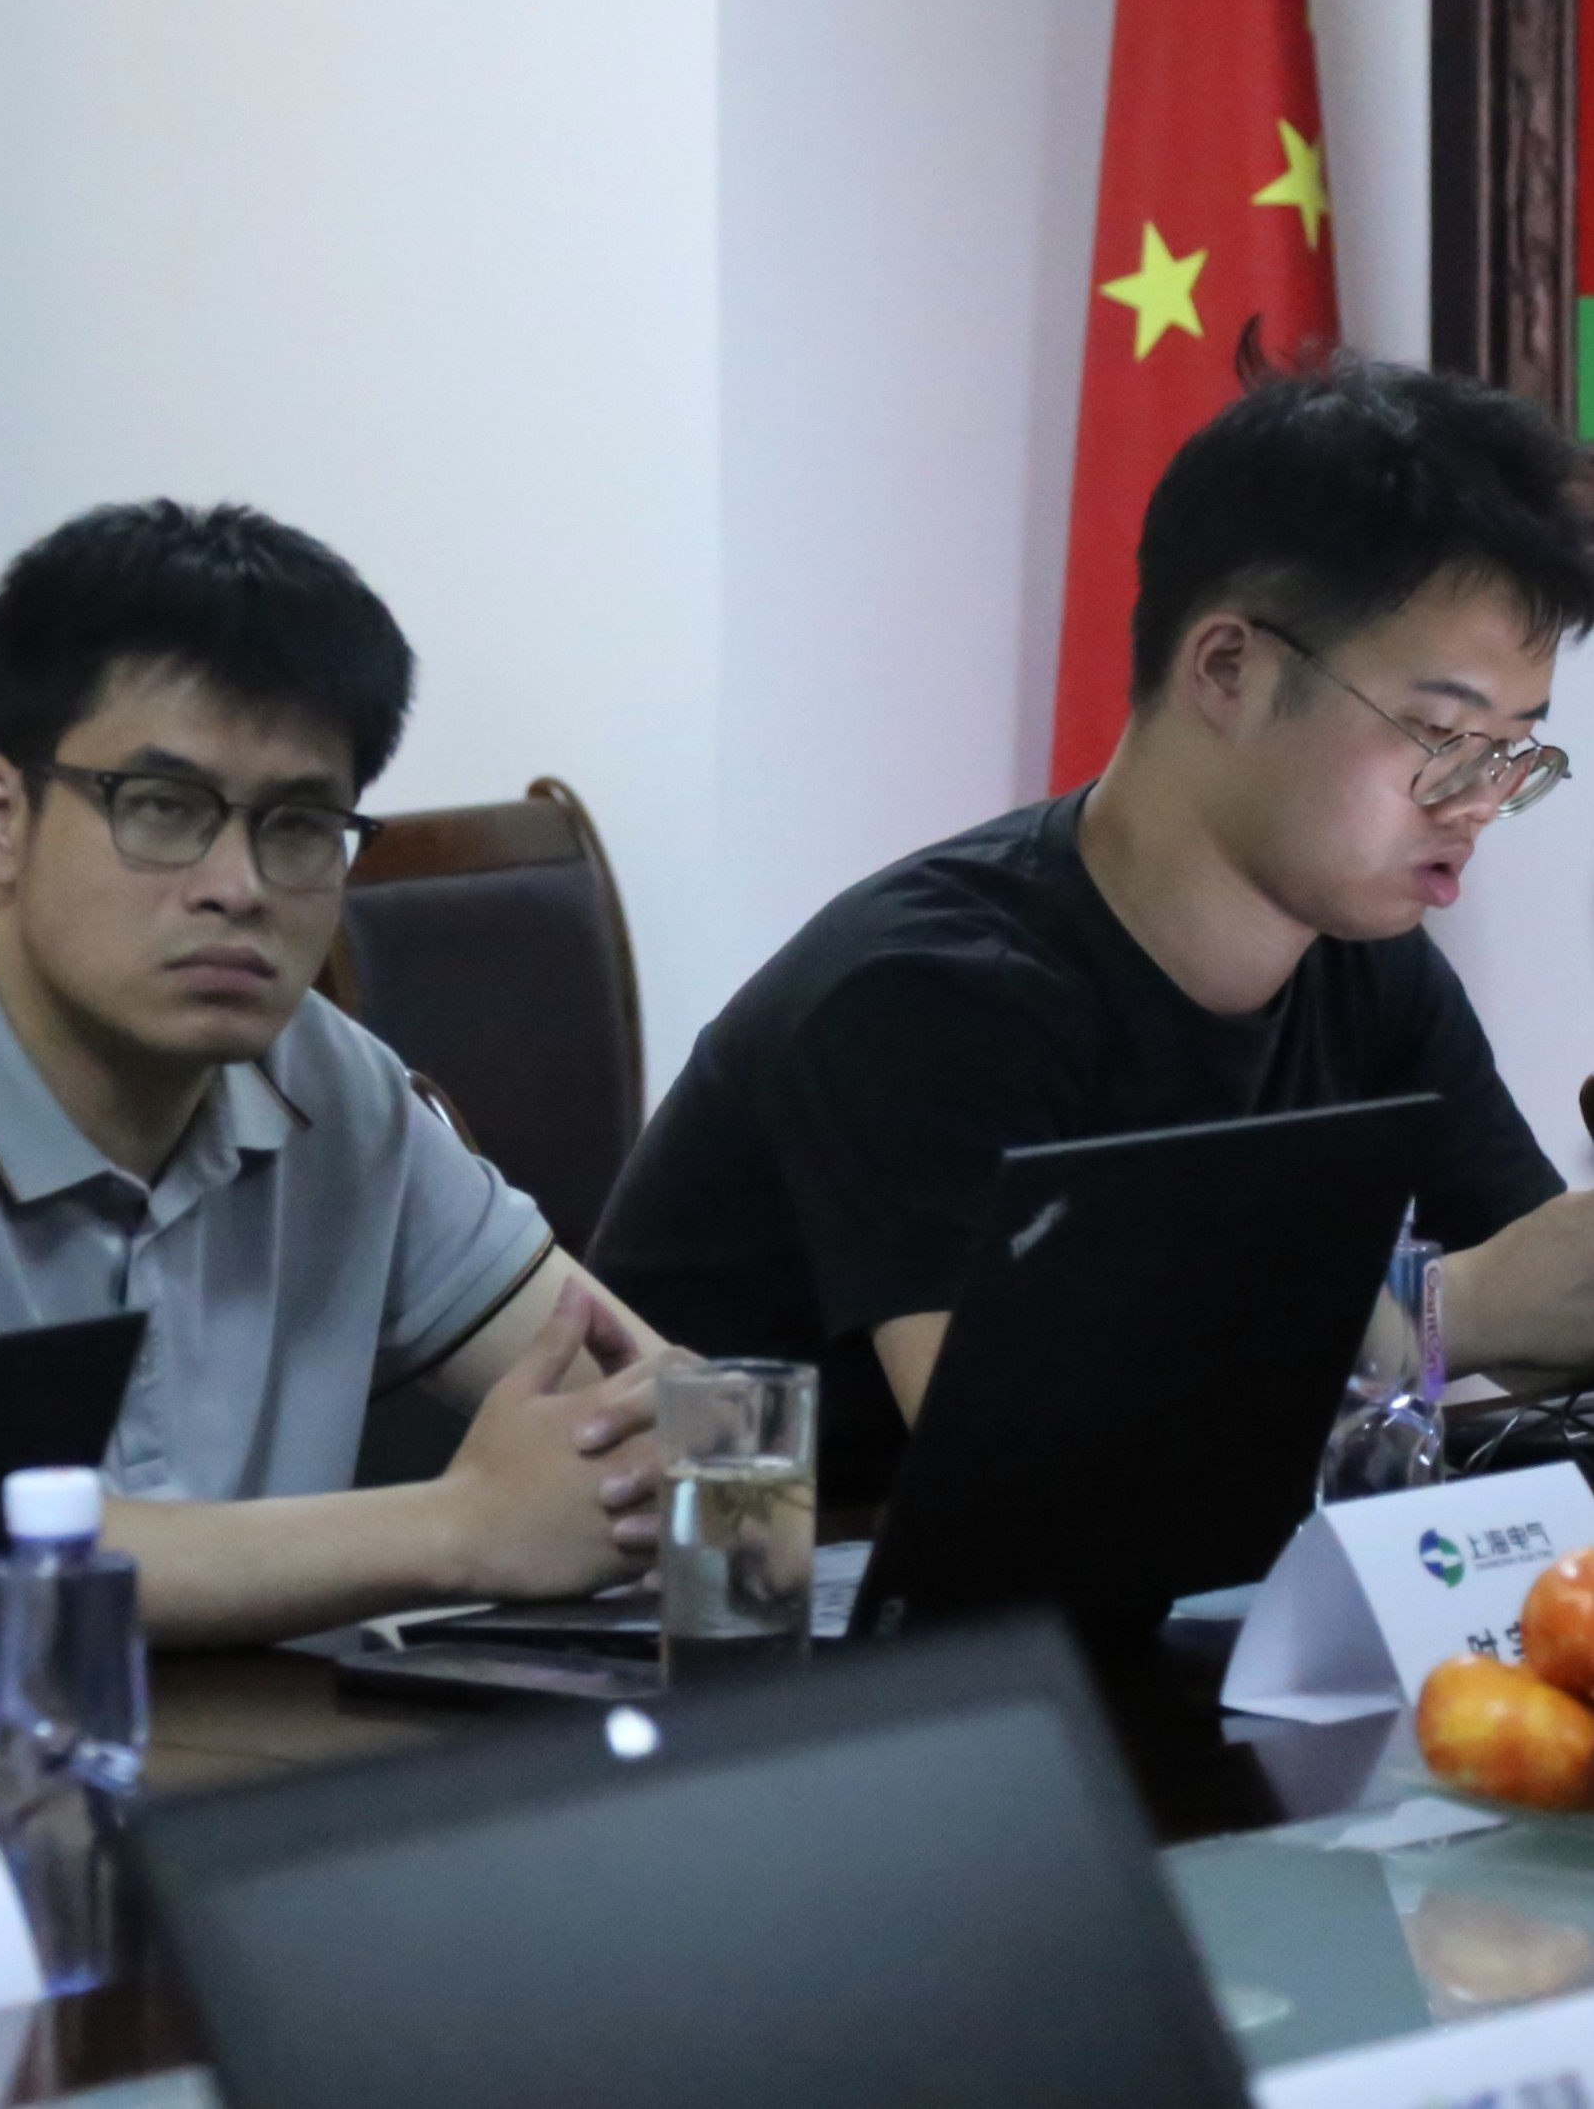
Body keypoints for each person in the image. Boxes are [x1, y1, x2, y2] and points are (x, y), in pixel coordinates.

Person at [0, 501, 671, 1647]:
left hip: (228, 1750)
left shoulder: (328, 1086)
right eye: (162, 808)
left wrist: (719, 1474)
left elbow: (667, 1418)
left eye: (298, 824)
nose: (237, 885)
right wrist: (453, 1529)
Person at [593, 361, 1594, 1504]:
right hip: (753, 1598)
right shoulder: (925, 994)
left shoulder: (1369, 969)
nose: (1476, 802)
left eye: (1512, 752)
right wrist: (1436, 1317)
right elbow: (1026, 1450)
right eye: (1438, 733)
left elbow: (1542, 1310)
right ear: (1225, 668)